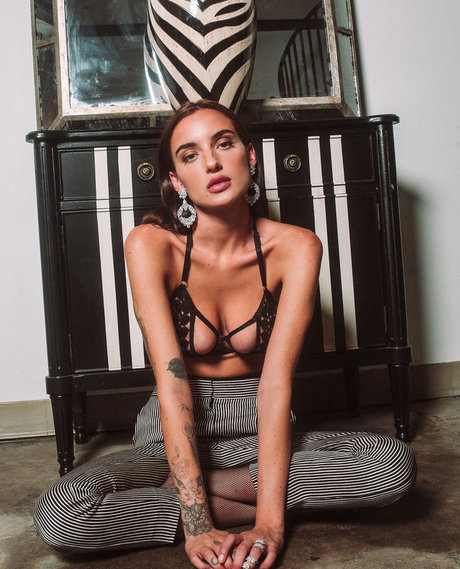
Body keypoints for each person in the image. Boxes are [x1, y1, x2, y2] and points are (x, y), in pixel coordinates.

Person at [33, 100, 416, 569]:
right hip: (171, 433)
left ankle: (196, 494)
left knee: (391, 465)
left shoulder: (295, 246)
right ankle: (239, 494)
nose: (211, 162)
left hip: (261, 423)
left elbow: (275, 385)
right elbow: (172, 385)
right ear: (177, 180)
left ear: (249, 156)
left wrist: (270, 524)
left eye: (224, 144)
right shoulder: (151, 244)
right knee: (62, 513)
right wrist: (196, 526)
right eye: (190, 155)